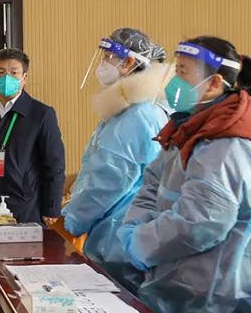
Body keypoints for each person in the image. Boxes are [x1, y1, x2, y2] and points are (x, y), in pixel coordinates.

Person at [119, 37, 251, 313]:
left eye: (183, 72)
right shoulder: (190, 127)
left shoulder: (227, 142)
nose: (174, 81)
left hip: (218, 287)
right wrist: (132, 231)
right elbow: (152, 184)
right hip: (184, 280)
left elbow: (201, 221)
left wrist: (140, 243)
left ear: (214, 83)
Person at [62, 29, 172, 293]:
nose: (103, 63)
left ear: (129, 62)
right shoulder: (131, 111)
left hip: (120, 238)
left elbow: (107, 180)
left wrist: (71, 220)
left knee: (123, 307)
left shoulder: (137, 116)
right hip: (123, 234)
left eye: (109, 56)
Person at [0, 48, 66, 226]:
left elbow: (54, 164)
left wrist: (51, 207)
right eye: (1, 72)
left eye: (14, 72)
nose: (7, 78)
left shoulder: (41, 114)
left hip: (25, 204)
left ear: (24, 78)